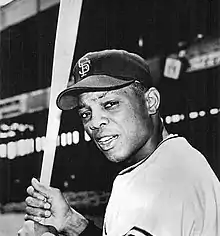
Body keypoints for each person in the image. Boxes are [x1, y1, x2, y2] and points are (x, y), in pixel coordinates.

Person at [19, 50, 220, 236]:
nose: (94, 123)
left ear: (150, 102)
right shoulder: (158, 165)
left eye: (110, 104)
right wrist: (71, 222)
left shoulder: (169, 181)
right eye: (85, 113)